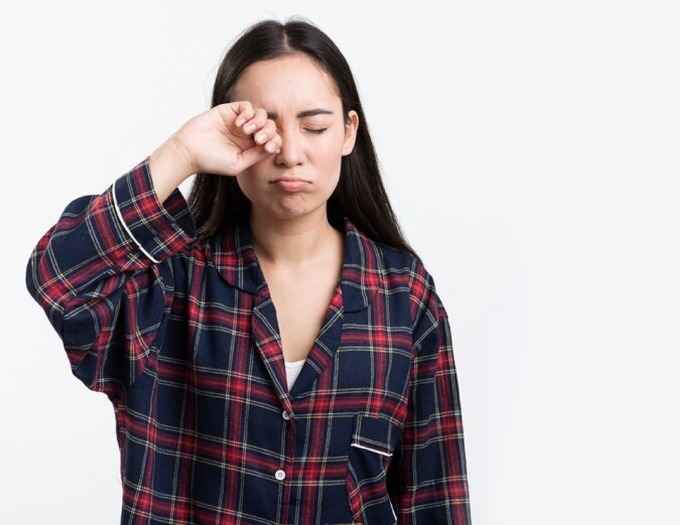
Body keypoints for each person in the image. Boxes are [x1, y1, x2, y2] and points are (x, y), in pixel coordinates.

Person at [25, 17, 471, 525]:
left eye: (315, 127)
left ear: (349, 132)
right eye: (264, 129)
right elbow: (59, 280)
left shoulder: (404, 296)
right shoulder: (169, 281)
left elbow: (435, 497)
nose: (290, 153)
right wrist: (181, 154)